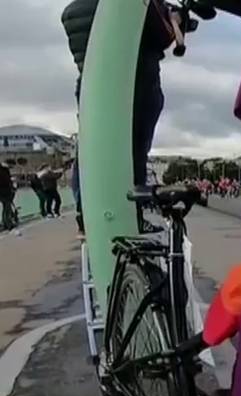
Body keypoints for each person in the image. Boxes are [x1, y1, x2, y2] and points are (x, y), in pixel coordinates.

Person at [62, 0, 175, 232]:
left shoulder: (70, 12)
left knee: (87, 154)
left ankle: (86, 217)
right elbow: (163, 35)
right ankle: (133, 216)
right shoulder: (129, 5)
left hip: (89, 88)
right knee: (134, 153)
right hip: (135, 84)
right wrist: (172, 17)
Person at [0, 161, 15, 230]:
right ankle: (8, 224)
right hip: (5, 192)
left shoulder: (5, 170)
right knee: (7, 208)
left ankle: (5, 223)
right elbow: (7, 181)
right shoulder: (5, 170)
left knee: (6, 208)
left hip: (4, 192)